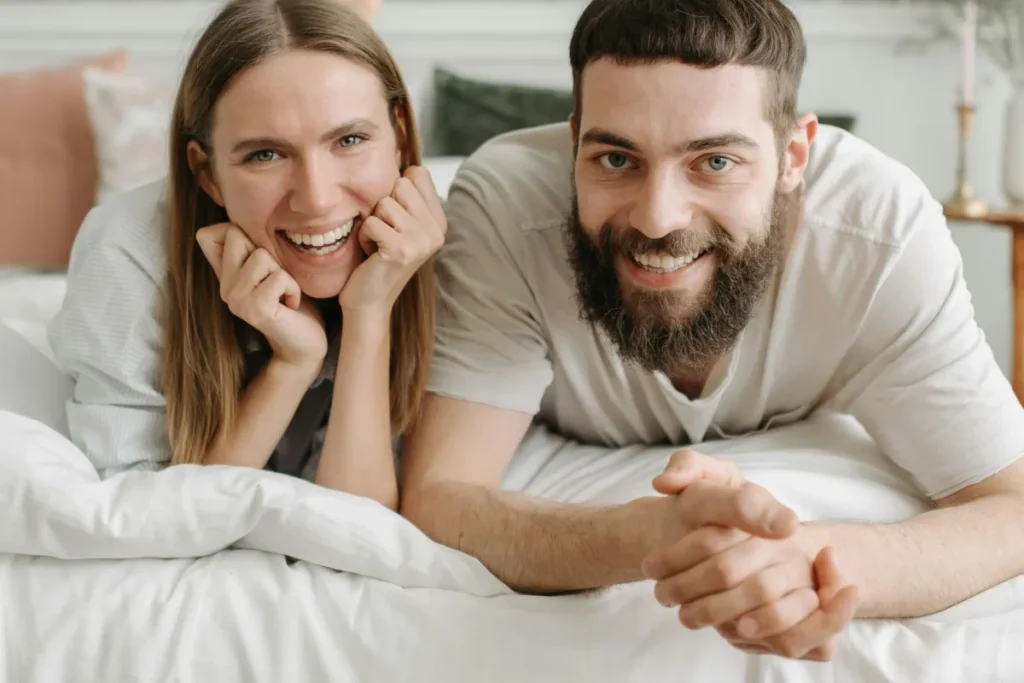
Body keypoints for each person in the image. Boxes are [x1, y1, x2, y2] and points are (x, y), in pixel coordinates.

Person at [399, 0, 1024, 662]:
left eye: (715, 162)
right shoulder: (503, 205)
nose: (659, 218)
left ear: (793, 155)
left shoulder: (878, 234)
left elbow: (1013, 506)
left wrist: (812, 559)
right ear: (574, 141)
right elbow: (441, 497)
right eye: (616, 159)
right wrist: (654, 537)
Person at [48, 0, 446, 511]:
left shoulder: (447, 247)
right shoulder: (125, 251)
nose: (317, 198)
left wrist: (369, 315)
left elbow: (359, 529)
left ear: (400, 136)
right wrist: (293, 363)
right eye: (266, 154)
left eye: (349, 139)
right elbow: (150, 520)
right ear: (207, 172)